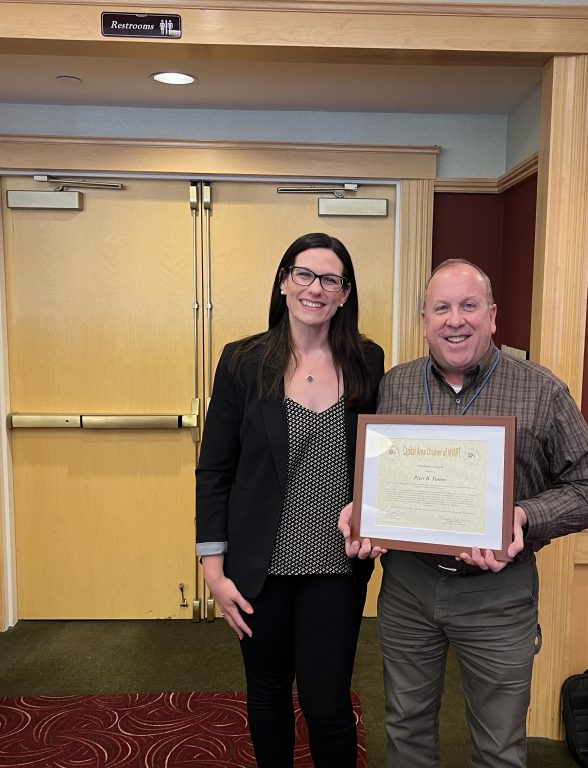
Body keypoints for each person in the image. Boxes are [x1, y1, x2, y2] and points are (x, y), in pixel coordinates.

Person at [339, 259, 588, 767]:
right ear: (424, 320)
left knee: (499, 745)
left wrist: (524, 515)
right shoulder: (395, 386)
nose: (455, 320)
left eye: (469, 306)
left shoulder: (541, 390)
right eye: (441, 308)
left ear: (492, 317)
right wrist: (365, 510)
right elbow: (379, 475)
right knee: (405, 730)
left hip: (498, 597)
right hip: (409, 588)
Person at [196, 232, 383, 768]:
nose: (315, 288)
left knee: (327, 703)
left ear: (345, 294)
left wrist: (377, 512)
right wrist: (213, 568)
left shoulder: (368, 360)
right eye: (304, 274)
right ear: (283, 281)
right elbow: (215, 469)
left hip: (334, 567)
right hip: (260, 568)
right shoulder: (242, 361)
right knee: (269, 691)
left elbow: (378, 457)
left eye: (330, 279)